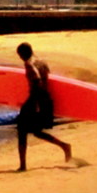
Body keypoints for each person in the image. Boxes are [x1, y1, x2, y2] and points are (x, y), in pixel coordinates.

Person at [15, 42, 71, 171]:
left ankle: (23, 166)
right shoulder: (42, 62)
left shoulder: (29, 64)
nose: (20, 58)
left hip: (36, 99)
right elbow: (49, 80)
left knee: (22, 130)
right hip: (46, 99)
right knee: (36, 132)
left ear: (23, 53)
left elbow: (37, 80)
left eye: (20, 55)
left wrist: (35, 103)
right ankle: (64, 146)